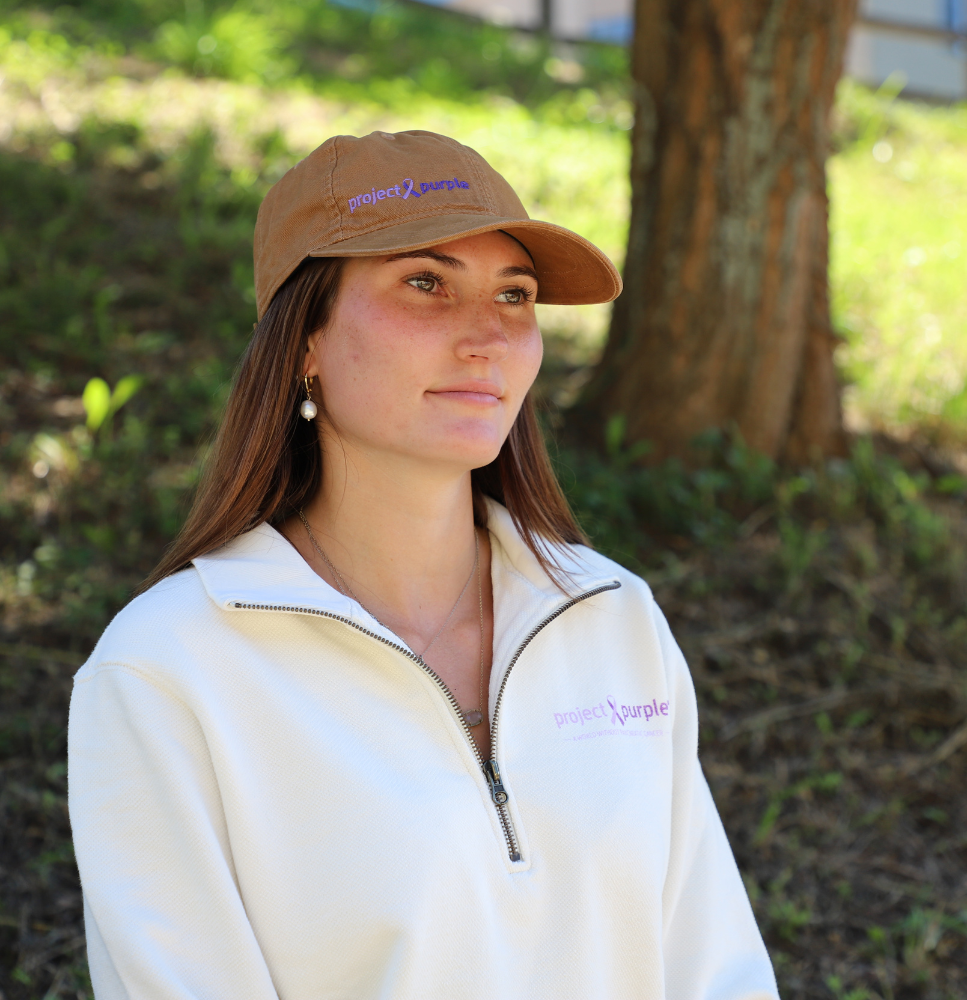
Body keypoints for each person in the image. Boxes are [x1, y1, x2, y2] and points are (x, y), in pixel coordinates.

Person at [68, 130, 779, 1000]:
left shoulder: (611, 615)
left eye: (515, 295)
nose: (488, 336)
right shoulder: (168, 672)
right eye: (425, 284)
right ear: (305, 343)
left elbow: (717, 970)